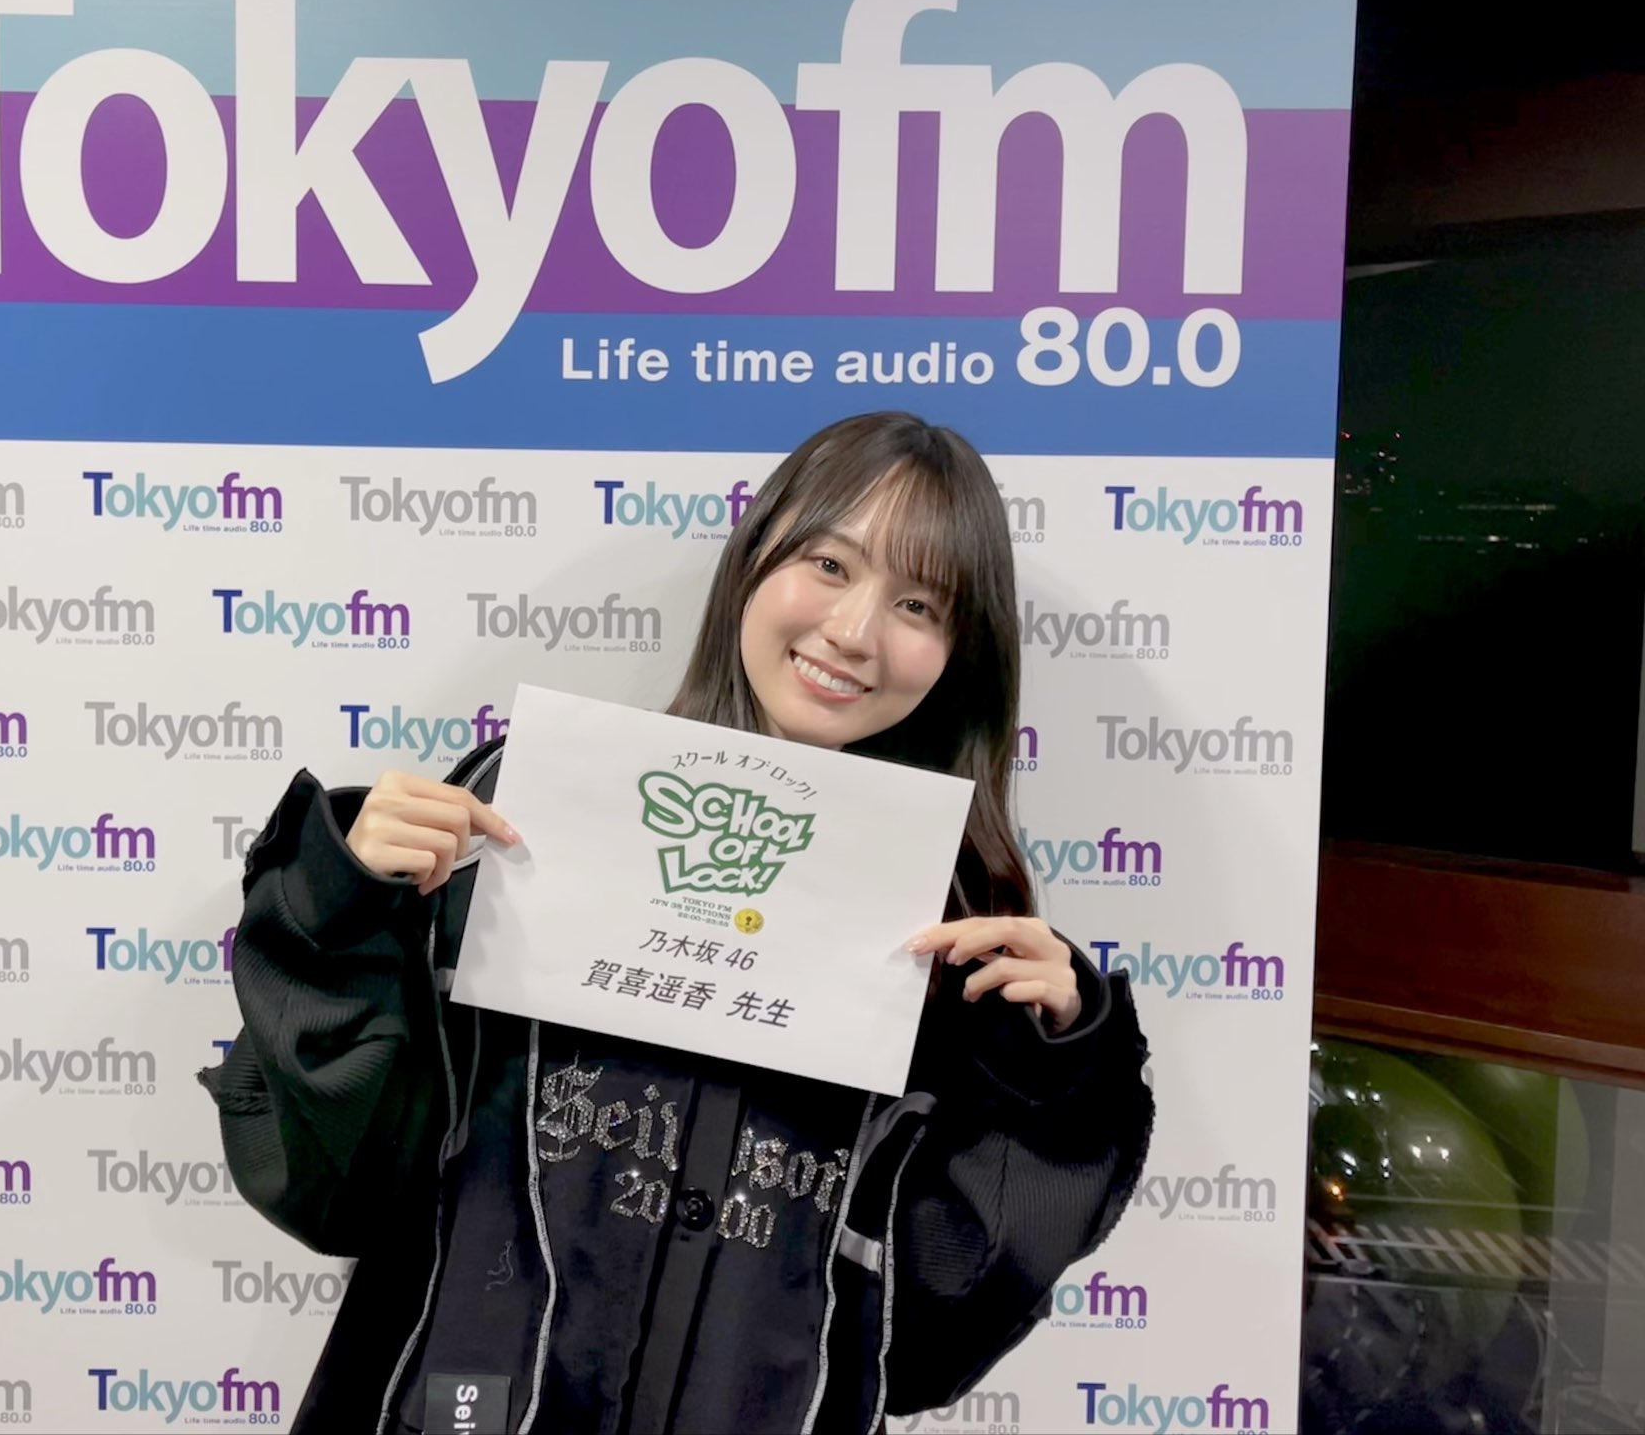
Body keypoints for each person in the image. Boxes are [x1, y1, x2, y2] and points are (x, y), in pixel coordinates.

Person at [200, 411, 1153, 1434]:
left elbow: (923, 1343)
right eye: (830, 565)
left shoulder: (948, 938)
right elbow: (333, 1193)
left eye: (917, 603)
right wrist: (343, 907)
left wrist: (1051, 1077)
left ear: (959, 651)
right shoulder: (522, 818)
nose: (853, 631)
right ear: (755, 559)